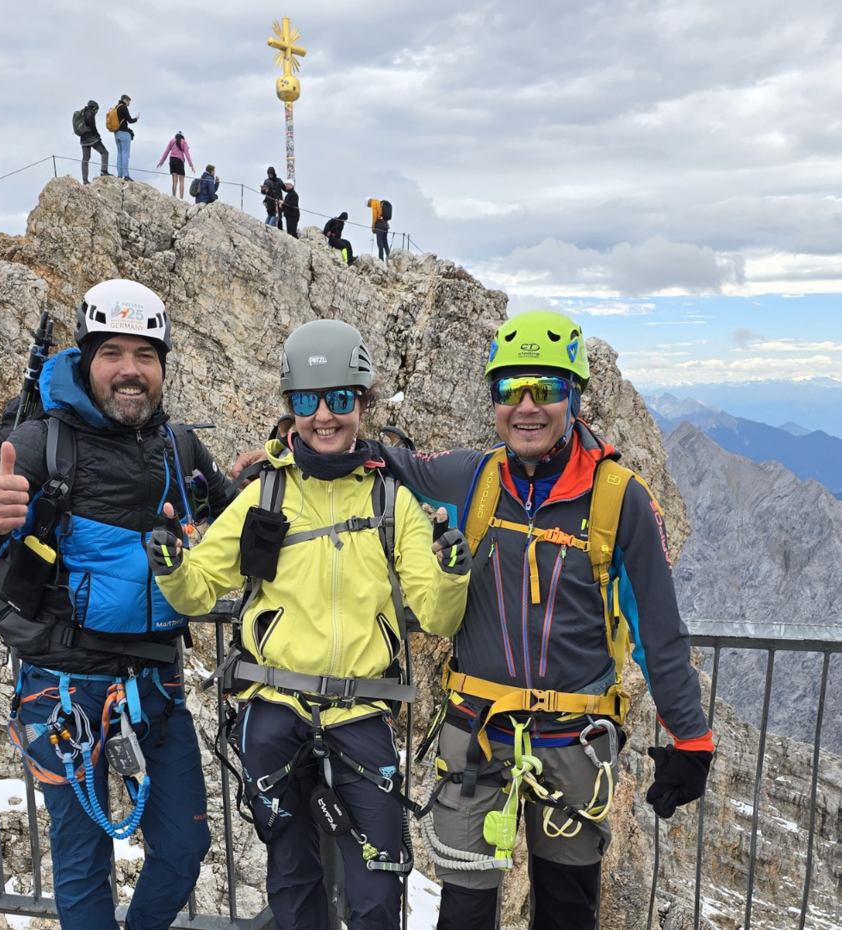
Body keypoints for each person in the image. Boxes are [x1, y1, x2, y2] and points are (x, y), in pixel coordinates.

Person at [233, 310, 716, 930]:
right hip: (478, 735)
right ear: (494, 399)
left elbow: (659, 629)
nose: (527, 407)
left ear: (576, 397)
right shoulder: (473, 477)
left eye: (546, 388)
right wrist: (281, 452)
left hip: (573, 740)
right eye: (510, 390)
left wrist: (692, 737)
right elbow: (374, 459)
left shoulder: (621, 499)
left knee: (568, 912)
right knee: (464, 912)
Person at [149, 319, 472, 930]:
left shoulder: (389, 502)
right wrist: (170, 564)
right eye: (307, 400)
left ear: (363, 405)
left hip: (361, 710)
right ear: (290, 407)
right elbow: (198, 591)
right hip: (273, 707)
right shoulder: (261, 497)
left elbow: (436, 613)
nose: (324, 416)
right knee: (293, 880)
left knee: (378, 889)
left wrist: (451, 571)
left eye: (340, 399)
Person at [0, 280, 236, 930]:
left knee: (185, 850)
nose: (130, 369)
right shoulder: (44, 445)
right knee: (82, 858)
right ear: (86, 359)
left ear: (162, 364)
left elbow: (239, 525)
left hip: (157, 688)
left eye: (145, 354)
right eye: (113, 353)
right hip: (64, 695)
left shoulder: (183, 453)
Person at [79, 100, 110, 184]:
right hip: (91, 137)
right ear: (94, 108)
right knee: (104, 152)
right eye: (97, 110)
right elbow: (91, 122)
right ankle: (104, 171)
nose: (97, 112)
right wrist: (96, 134)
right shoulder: (90, 112)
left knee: (86, 158)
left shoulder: (83, 112)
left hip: (83, 138)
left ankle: (85, 180)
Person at [157, 132, 194, 200]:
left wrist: (161, 162)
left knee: (174, 180)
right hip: (179, 160)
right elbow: (187, 154)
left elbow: (166, 152)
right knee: (181, 180)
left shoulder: (171, 141)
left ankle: (173, 196)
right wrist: (191, 165)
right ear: (183, 137)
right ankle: (181, 198)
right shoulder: (184, 142)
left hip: (172, 160)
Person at [113, 95, 139, 181]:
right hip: (124, 133)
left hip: (116, 133)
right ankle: (126, 175)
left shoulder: (116, 107)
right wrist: (136, 119)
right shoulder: (123, 107)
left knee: (119, 153)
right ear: (124, 100)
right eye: (128, 101)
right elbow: (130, 120)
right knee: (125, 154)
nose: (129, 103)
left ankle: (119, 174)